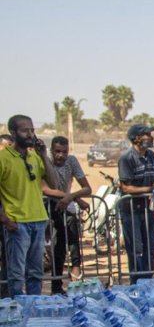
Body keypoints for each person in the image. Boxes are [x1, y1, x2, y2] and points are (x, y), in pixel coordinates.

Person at [0, 115, 60, 296]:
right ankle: (17, 306)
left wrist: (44, 156)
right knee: (17, 274)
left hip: (38, 220)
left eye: (32, 130)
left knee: (35, 272)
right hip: (17, 223)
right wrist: (5, 219)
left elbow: (54, 183)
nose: (30, 134)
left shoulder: (35, 156)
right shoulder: (3, 158)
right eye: (25, 130)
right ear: (13, 133)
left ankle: (34, 305)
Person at [44, 136, 91, 293]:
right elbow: (44, 189)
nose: (61, 155)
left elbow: (87, 188)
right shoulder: (45, 160)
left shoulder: (71, 161)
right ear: (52, 150)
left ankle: (74, 268)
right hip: (46, 205)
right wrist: (72, 197)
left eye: (64, 152)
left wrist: (71, 197)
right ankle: (55, 285)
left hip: (65, 205)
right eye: (57, 151)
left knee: (70, 235)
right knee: (55, 247)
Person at [117, 123, 154, 282]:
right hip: (131, 211)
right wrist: (149, 188)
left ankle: (147, 281)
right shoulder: (126, 158)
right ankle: (136, 283)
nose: (151, 138)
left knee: (151, 248)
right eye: (147, 135)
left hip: (148, 209)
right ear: (136, 138)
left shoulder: (152, 156)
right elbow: (126, 188)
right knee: (136, 250)